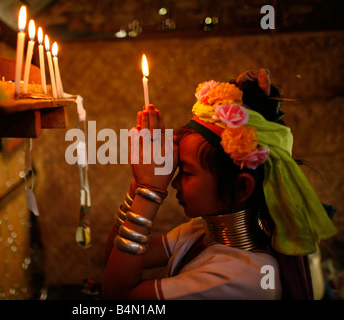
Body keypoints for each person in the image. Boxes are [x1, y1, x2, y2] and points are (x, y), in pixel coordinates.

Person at [102, 69, 336, 300]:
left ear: (242, 188)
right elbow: (112, 261)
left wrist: (149, 191)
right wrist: (140, 182)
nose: (173, 183)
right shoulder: (199, 232)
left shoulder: (242, 277)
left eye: (187, 172)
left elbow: (117, 295)